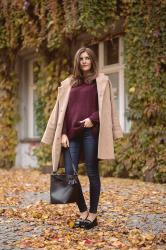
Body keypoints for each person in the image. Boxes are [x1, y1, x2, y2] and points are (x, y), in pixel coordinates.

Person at [41, 47, 123, 230]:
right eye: (81, 58)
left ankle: (93, 214)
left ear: (92, 60)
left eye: (88, 58)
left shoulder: (100, 81)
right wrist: (62, 133)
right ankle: (83, 210)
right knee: (70, 173)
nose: (84, 61)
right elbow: (62, 111)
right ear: (77, 61)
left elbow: (105, 108)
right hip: (71, 134)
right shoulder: (70, 83)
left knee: (92, 172)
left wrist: (92, 119)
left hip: (90, 132)